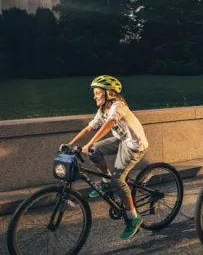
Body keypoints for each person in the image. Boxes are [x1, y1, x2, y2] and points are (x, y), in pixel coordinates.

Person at [60, 75, 149, 239]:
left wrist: (89, 143)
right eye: (94, 93)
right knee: (95, 151)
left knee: (119, 180)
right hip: (121, 140)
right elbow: (89, 128)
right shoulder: (102, 110)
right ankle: (106, 182)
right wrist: (70, 144)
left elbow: (108, 125)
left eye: (97, 93)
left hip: (134, 144)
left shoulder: (118, 106)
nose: (94, 96)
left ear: (109, 93)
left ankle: (133, 217)